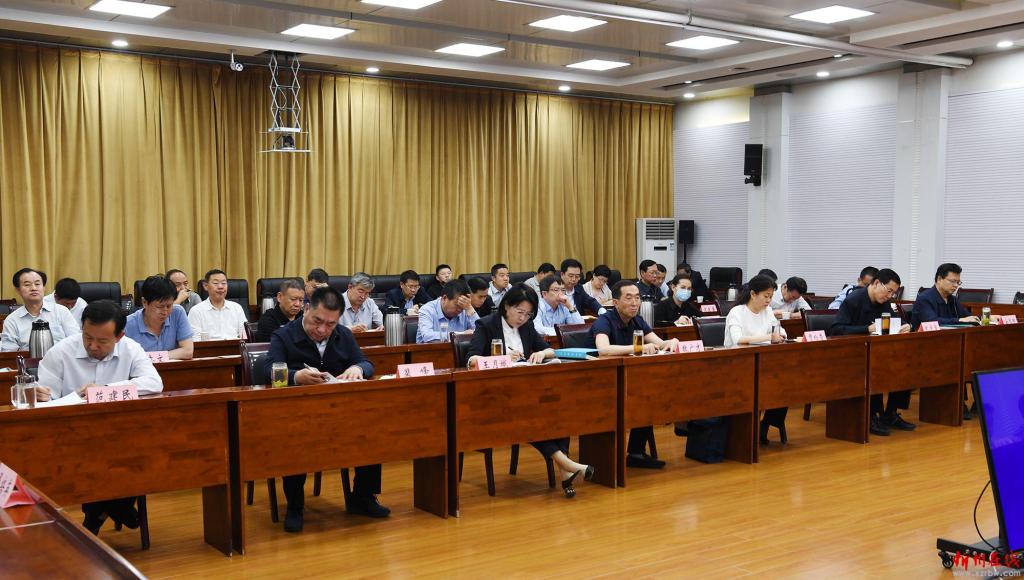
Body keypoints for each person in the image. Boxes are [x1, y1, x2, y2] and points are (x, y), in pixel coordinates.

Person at [264, 287, 389, 533]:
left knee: (370, 428)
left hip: (339, 413)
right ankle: (295, 506)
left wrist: (358, 369)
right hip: (298, 413)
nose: (322, 330)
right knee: (295, 437)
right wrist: (295, 376)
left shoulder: (343, 334)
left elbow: (366, 363)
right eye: (317, 321)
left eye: (330, 324)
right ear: (306, 310)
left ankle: (362, 497)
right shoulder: (284, 335)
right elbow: (267, 369)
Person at [35, 300, 163, 535]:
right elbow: (46, 399)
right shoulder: (61, 352)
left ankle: (98, 513)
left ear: (119, 336)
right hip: (72, 437)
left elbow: (154, 383)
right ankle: (118, 508)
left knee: (138, 449)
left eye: (102, 341)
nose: (92, 346)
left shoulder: (131, 348)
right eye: (87, 337)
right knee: (100, 456)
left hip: (119, 435)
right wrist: (41, 395)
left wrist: (104, 389)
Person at [465, 288, 594, 498]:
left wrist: (541, 353)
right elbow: (471, 360)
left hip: (525, 394)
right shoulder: (486, 325)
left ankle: (565, 470)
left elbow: (550, 350)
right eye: (519, 312)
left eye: (528, 314)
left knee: (557, 411)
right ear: (507, 306)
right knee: (528, 419)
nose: (523, 318)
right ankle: (566, 465)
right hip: (494, 398)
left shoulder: (527, 326)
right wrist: (502, 359)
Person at [586, 280, 679, 469]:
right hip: (597, 383)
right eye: (628, 298)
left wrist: (672, 342)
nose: (635, 303)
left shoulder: (637, 320)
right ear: (615, 302)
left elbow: (659, 343)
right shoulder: (604, 321)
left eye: (637, 298)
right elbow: (603, 350)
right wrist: (638, 348)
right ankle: (605, 456)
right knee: (640, 397)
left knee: (648, 397)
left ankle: (636, 452)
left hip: (627, 380)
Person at [830, 268, 913, 436]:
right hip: (852, 354)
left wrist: (906, 326)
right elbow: (836, 329)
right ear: (876, 283)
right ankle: (871, 416)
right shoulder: (853, 300)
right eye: (889, 291)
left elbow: (894, 321)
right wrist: (866, 329)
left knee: (905, 366)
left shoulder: (884, 302)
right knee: (874, 368)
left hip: (877, 351)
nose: (890, 296)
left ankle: (890, 413)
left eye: (893, 293)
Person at [725, 275, 789, 444]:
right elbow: (738, 339)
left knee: (786, 385)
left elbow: (781, 332)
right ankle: (746, 431)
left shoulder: (767, 311)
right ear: (753, 294)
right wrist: (769, 337)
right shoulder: (737, 312)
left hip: (762, 362)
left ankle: (765, 425)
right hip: (737, 364)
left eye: (771, 296)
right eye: (765, 296)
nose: (769, 300)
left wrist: (779, 335)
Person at [1, 268, 79, 351]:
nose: (34, 288)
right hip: (29, 359)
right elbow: (9, 352)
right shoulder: (12, 320)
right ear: (18, 290)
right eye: (27, 285)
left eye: (37, 284)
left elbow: (75, 341)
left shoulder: (61, 311)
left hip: (61, 358)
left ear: (44, 287)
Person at [123, 276, 194, 359]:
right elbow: (125, 359)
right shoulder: (127, 325)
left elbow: (188, 351)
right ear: (144, 302)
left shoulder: (177, 312)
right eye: (160, 307)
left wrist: (151, 357)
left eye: (169, 306)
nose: (165, 311)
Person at [912, 263, 980, 329]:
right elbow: (932, 322)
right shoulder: (924, 299)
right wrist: (959, 320)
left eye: (958, 282)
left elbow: (968, 317)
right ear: (939, 279)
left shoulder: (953, 299)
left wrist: (981, 319)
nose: (956, 285)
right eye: (953, 281)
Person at [187, 269, 249, 340]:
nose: (220, 287)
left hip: (235, 346)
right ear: (205, 286)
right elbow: (195, 340)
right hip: (209, 347)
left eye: (223, 283)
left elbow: (244, 336)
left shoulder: (237, 308)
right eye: (216, 283)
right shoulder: (196, 311)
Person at [416, 280, 481, 343]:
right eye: (457, 304)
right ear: (444, 298)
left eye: (463, 305)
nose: (460, 309)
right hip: (430, 350)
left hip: (459, 350)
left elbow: (481, 333)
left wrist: (470, 308)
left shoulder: (465, 308)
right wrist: (461, 335)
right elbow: (427, 336)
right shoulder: (427, 310)